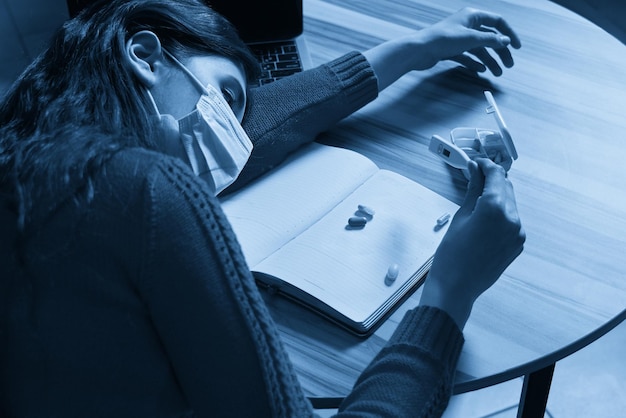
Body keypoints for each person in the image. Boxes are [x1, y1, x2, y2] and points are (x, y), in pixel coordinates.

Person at [0, 0, 525, 416]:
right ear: (145, 54)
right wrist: (449, 295)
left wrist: (416, 48)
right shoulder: (148, 189)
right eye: (227, 99)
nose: (233, 139)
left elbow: (260, 127)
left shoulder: (28, 153)